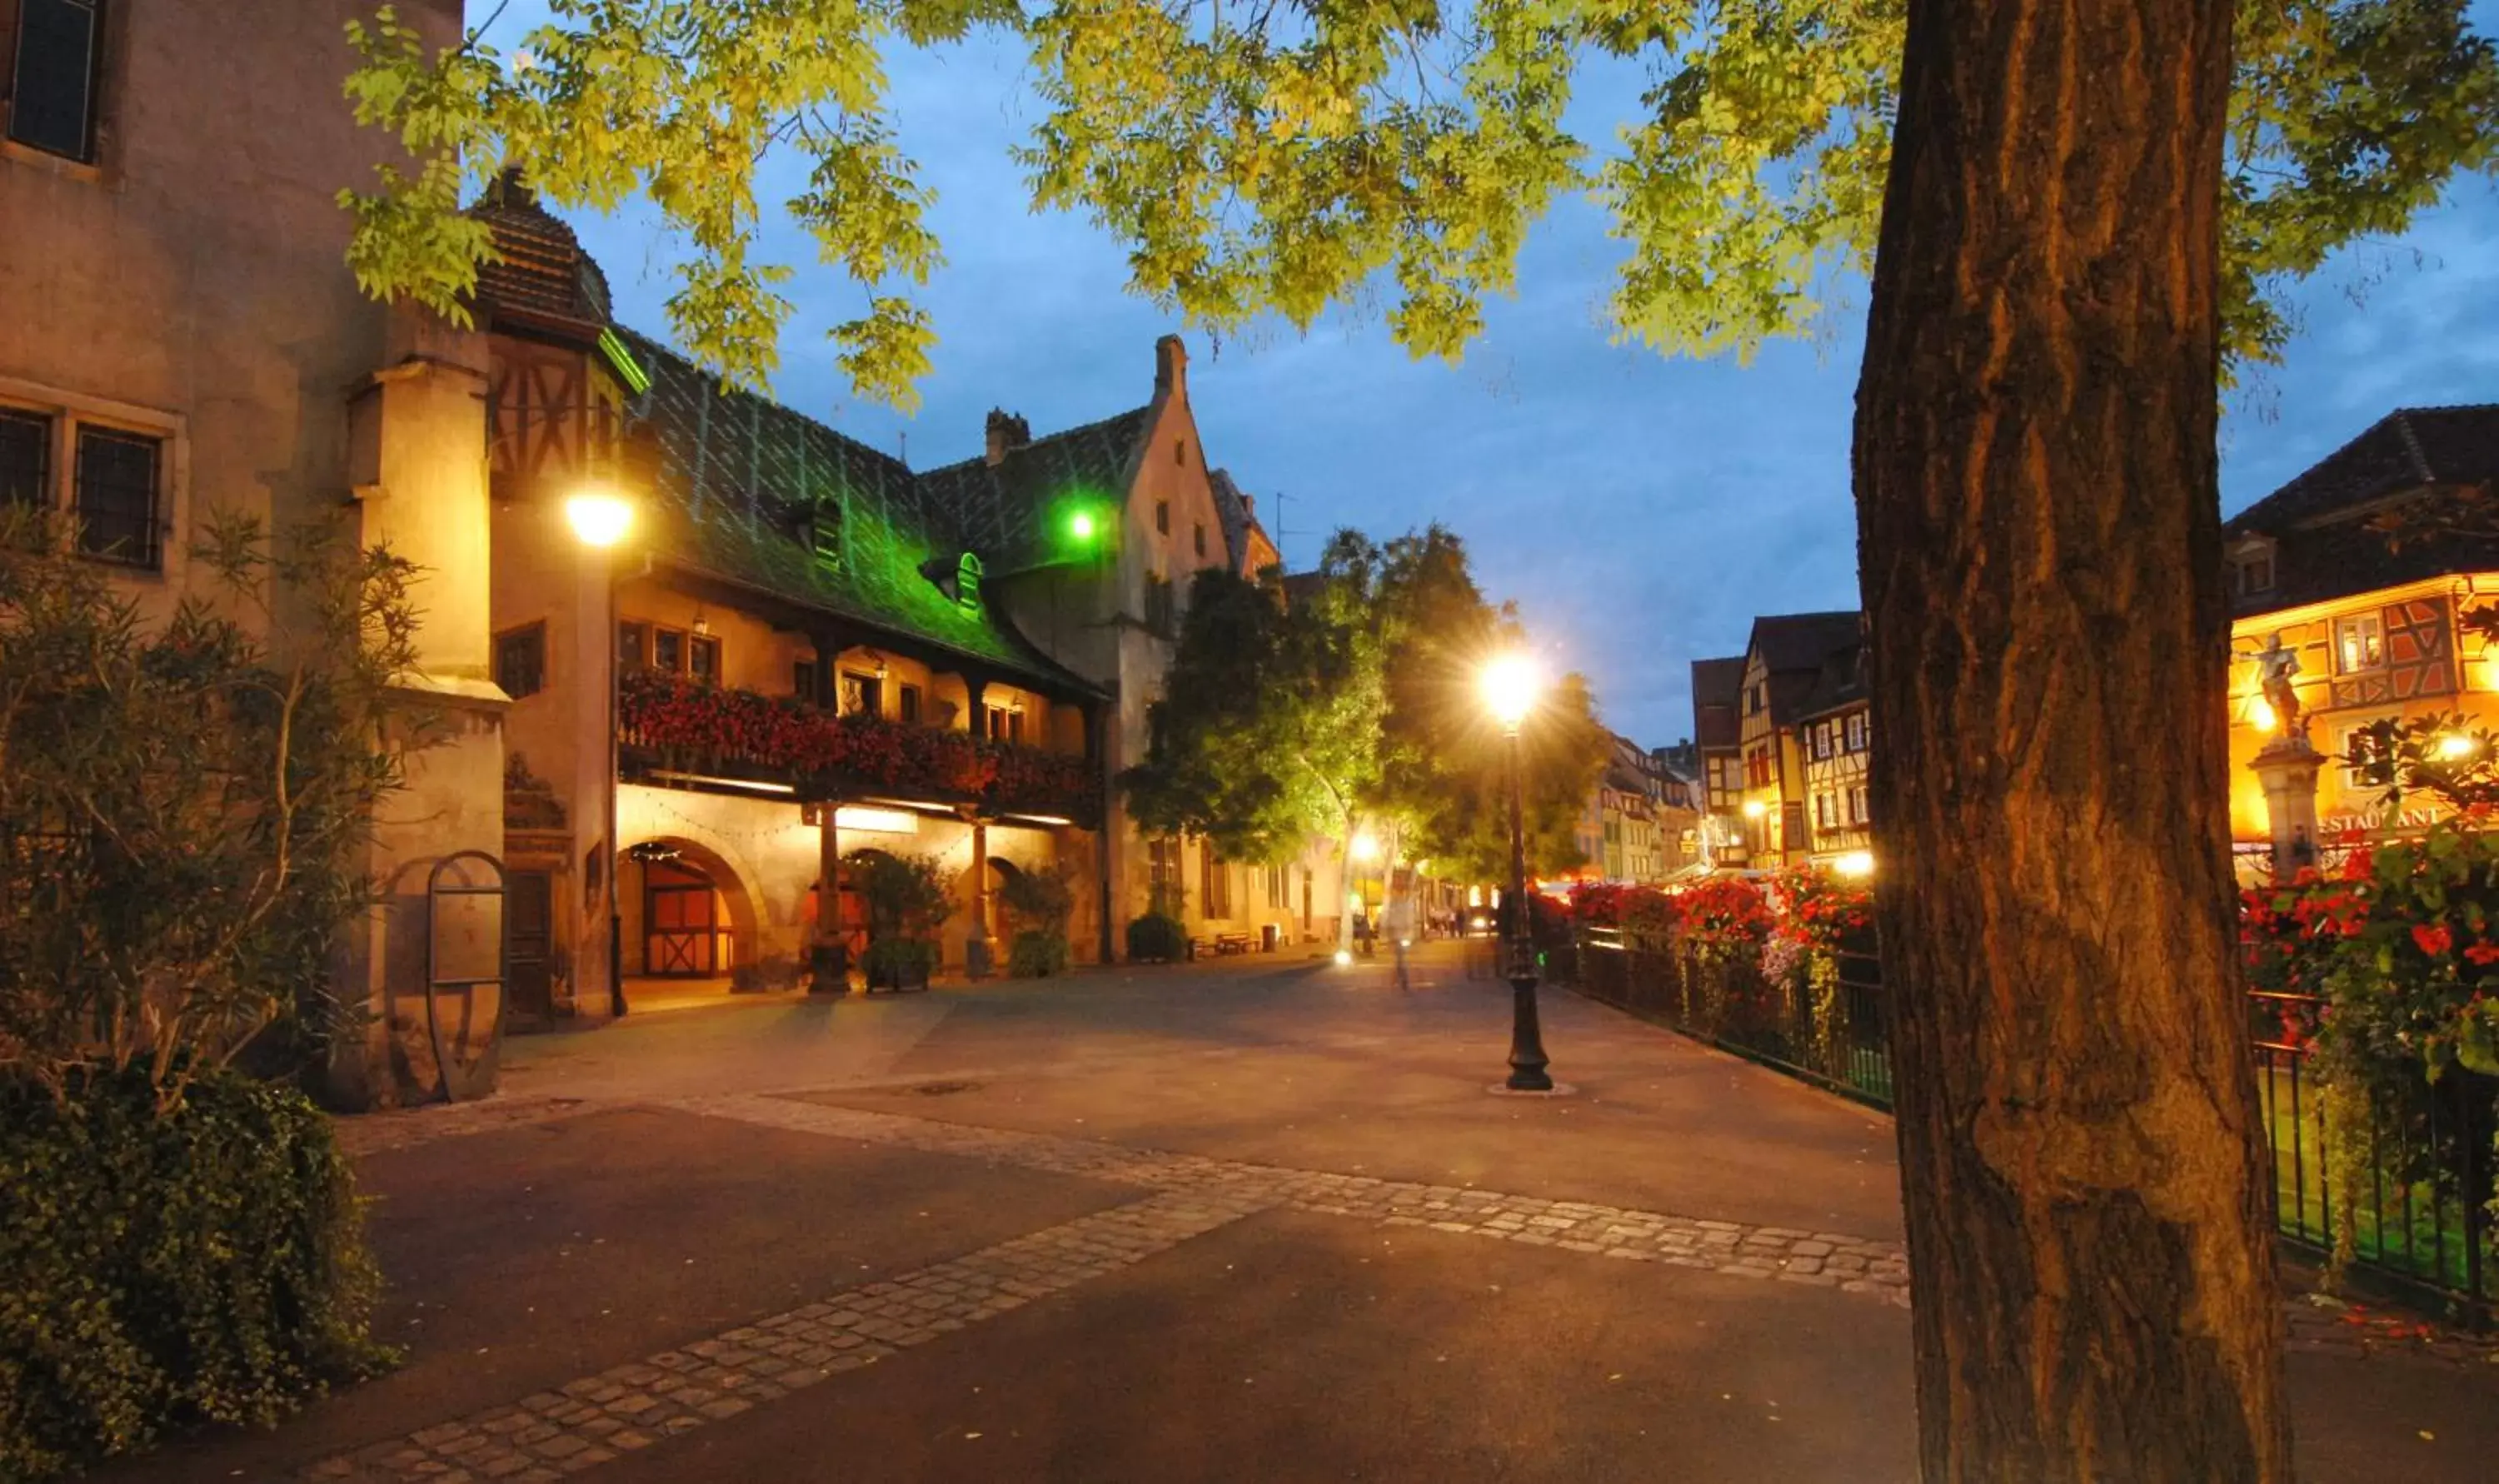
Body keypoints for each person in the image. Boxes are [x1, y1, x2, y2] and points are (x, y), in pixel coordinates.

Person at [1383, 893, 1415, 991]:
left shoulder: (1405, 906)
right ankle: (1401, 978)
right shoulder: (1394, 907)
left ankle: (1400, 978)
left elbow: (1409, 920)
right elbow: (1389, 921)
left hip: (1402, 936)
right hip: (1397, 936)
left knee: (1400, 959)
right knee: (1400, 959)